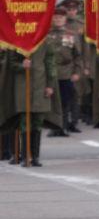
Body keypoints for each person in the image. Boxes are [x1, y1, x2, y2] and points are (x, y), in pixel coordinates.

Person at [10, 29, 56, 167]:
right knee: (25, 121)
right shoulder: (18, 40)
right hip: (23, 87)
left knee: (38, 122)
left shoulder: (45, 41)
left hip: (40, 85)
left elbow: (50, 63)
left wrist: (50, 85)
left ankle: (35, 157)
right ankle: (25, 156)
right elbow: (11, 63)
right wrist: (21, 65)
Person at [48, 5, 84, 136]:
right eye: (56, 17)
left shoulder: (71, 35)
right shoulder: (47, 34)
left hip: (66, 71)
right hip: (51, 72)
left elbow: (78, 55)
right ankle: (54, 127)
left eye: (60, 17)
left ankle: (63, 126)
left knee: (65, 101)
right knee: (52, 101)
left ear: (64, 19)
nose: (58, 20)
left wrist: (77, 72)